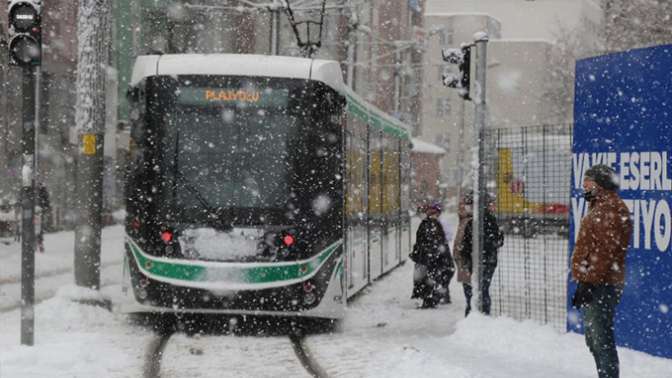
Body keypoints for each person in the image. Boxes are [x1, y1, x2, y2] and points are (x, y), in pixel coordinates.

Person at [571, 164, 632, 378]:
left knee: (601, 339)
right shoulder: (599, 206)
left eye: (588, 183)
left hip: (603, 285)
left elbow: (604, 252)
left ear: (600, 185)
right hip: (595, 281)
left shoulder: (611, 209)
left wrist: (588, 281)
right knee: (593, 338)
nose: (584, 187)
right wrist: (583, 280)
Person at [453, 190, 504, 316]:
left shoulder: (474, 221)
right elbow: (497, 241)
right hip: (479, 261)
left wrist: (463, 256)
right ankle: (480, 315)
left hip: (471, 262)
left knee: (474, 292)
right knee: (480, 290)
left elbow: (465, 244)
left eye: (468, 204)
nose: (465, 206)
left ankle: (474, 316)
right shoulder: (476, 219)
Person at [410, 202, 454, 308]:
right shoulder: (431, 224)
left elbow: (435, 240)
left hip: (429, 257)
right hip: (430, 257)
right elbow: (434, 241)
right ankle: (432, 297)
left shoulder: (431, 223)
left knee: (429, 277)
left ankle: (430, 297)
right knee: (432, 277)